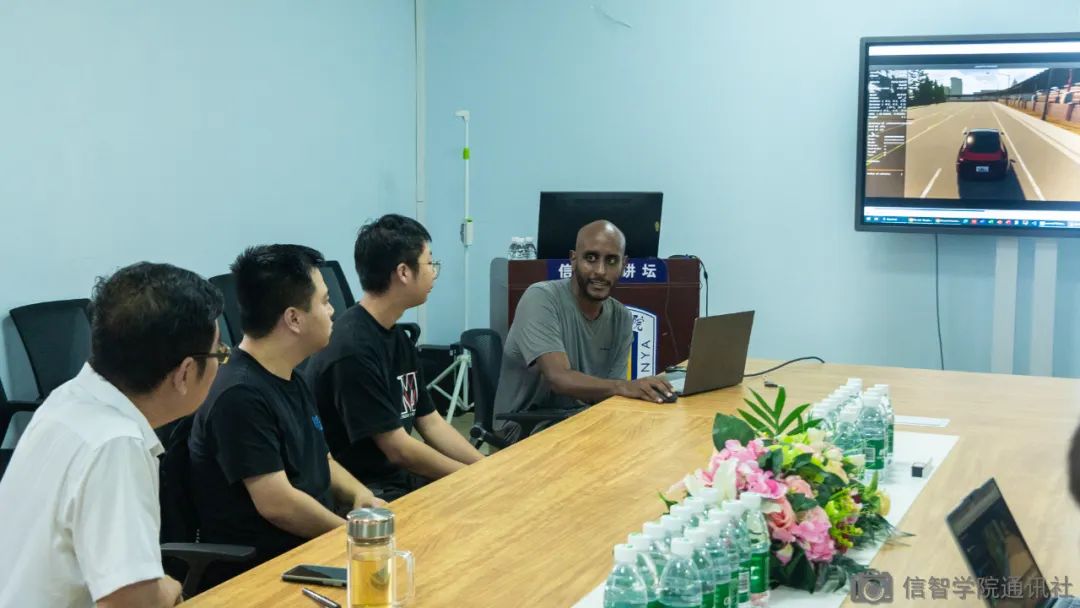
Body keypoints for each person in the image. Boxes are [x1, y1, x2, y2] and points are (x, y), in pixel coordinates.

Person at [0, 262, 225, 607]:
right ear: (185, 373)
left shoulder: (67, 399)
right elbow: (129, 601)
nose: (221, 363)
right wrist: (170, 588)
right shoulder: (116, 445)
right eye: (219, 353)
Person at [188, 245, 382, 584]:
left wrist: (359, 495)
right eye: (324, 301)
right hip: (267, 572)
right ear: (293, 318)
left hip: (312, 549)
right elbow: (277, 504)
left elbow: (320, 459)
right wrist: (352, 536)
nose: (333, 311)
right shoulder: (239, 395)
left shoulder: (290, 375)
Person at [307, 214, 483, 500]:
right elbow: (398, 448)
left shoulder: (397, 337)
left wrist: (485, 466)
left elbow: (431, 422)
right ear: (403, 272)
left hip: (398, 479)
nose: (433, 273)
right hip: (365, 493)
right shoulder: (352, 349)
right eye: (429, 263)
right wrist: (471, 477)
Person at [493, 220, 674, 439]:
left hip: (581, 418)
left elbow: (609, 394)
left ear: (624, 265)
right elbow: (558, 378)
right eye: (591, 258)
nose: (600, 271)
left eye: (611, 261)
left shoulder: (622, 317)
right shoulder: (541, 298)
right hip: (525, 426)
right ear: (573, 259)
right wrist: (624, 387)